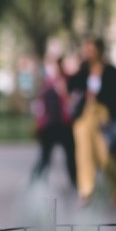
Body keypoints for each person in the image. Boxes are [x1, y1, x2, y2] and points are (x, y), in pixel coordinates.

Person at [68, 37, 116, 207]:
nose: (88, 53)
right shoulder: (83, 70)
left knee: (105, 157)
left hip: (103, 119)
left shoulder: (111, 72)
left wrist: (99, 98)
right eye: (86, 49)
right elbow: (71, 87)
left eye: (91, 49)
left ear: (99, 51)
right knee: (83, 153)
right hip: (84, 118)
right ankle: (86, 191)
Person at [31, 57, 76, 186]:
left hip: (64, 125)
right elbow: (40, 106)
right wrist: (39, 124)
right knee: (45, 158)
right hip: (49, 126)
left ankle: (75, 182)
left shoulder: (68, 82)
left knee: (70, 156)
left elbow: (71, 103)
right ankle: (36, 182)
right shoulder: (47, 83)